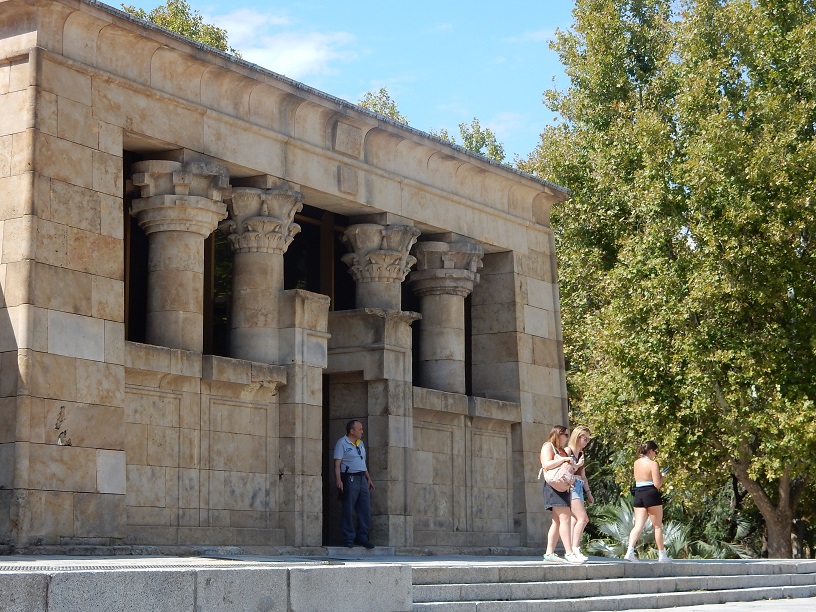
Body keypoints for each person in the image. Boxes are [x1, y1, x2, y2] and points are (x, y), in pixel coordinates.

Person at [541, 425, 585, 564]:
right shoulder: (548, 446)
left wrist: (577, 465)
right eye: (565, 435)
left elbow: (568, 469)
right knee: (565, 518)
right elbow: (546, 464)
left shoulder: (561, 451)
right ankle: (569, 552)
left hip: (563, 487)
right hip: (553, 487)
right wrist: (564, 459)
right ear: (558, 434)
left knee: (557, 521)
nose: (567, 438)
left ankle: (549, 553)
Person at [624, 440, 671, 562]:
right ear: (650, 451)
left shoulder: (636, 463)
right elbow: (657, 484)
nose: (656, 454)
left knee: (638, 525)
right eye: (655, 452)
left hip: (639, 492)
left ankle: (629, 551)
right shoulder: (653, 464)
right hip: (651, 493)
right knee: (657, 526)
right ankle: (662, 555)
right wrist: (663, 476)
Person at [334, 419, 376, 549]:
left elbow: (362, 463)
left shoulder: (360, 443)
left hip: (362, 477)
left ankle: (362, 537)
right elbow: (337, 464)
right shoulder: (342, 443)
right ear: (352, 431)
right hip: (350, 477)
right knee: (348, 508)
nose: (362, 431)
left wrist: (368, 478)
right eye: (360, 429)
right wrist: (338, 480)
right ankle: (348, 538)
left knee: (365, 509)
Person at [566, 426, 594, 561]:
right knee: (583, 518)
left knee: (575, 520)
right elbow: (565, 469)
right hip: (569, 486)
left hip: (579, 486)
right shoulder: (568, 451)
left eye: (588, 439)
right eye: (585, 438)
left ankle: (571, 550)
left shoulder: (581, 453)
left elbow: (583, 476)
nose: (587, 442)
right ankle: (575, 549)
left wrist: (588, 492)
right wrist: (577, 464)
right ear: (577, 437)